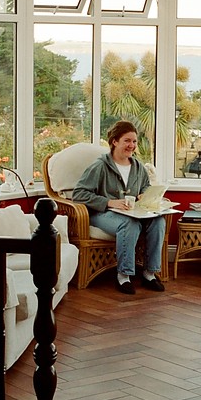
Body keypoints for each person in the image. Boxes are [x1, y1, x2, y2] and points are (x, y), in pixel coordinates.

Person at [73, 120, 166, 295]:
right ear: (115, 141)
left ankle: (149, 273)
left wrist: (145, 196)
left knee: (158, 222)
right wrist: (109, 202)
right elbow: (79, 194)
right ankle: (124, 276)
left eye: (134, 141)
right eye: (127, 141)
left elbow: (145, 186)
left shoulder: (138, 167)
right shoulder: (99, 166)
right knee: (129, 225)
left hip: (133, 212)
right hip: (103, 214)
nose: (132, 145)